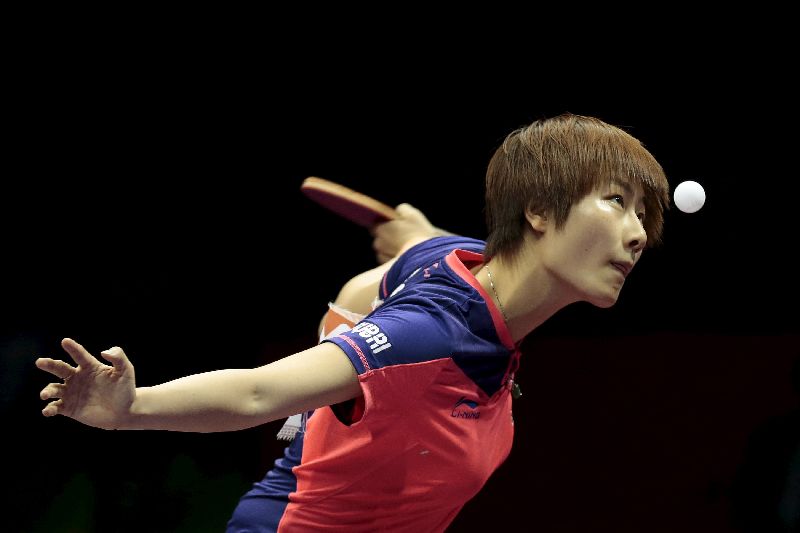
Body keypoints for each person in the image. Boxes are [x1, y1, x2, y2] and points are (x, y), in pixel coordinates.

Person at [36, 113, 671, 532]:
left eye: (644, 213)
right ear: (536, 209)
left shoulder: (452, 262)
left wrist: (409, 235)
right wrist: (132, 407)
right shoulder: (427, 336)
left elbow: (425, 245)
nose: (638, 233)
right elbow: (260, 391)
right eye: (615, 201)